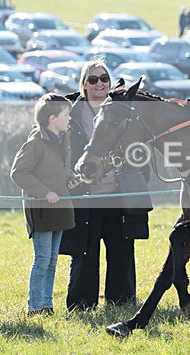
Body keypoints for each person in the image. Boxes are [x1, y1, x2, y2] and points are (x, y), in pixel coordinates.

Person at [61, 60, 152, 311]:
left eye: (104, 79)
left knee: (121, 249)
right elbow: (61, 150)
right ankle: (81, 303)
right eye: (93, 79)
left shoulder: (122, 110)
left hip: (118, 191)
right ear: (84, 85)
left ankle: (121, 301)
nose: (100, 83)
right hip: (84, 193)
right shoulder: (71, 112)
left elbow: (139, 148)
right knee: (85, 251)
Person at [11, 94, 77, 315]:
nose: (69, 118)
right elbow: (18, 173)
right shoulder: (35, 143)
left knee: (52, 261)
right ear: (52, 118)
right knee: (42, 259)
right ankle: (34, 306)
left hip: (60, 208)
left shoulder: (63, 140)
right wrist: (44, 192)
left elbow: (58, 170)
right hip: (41, 209)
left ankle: (47, 305)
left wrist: (71, 177)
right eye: (66, 114)